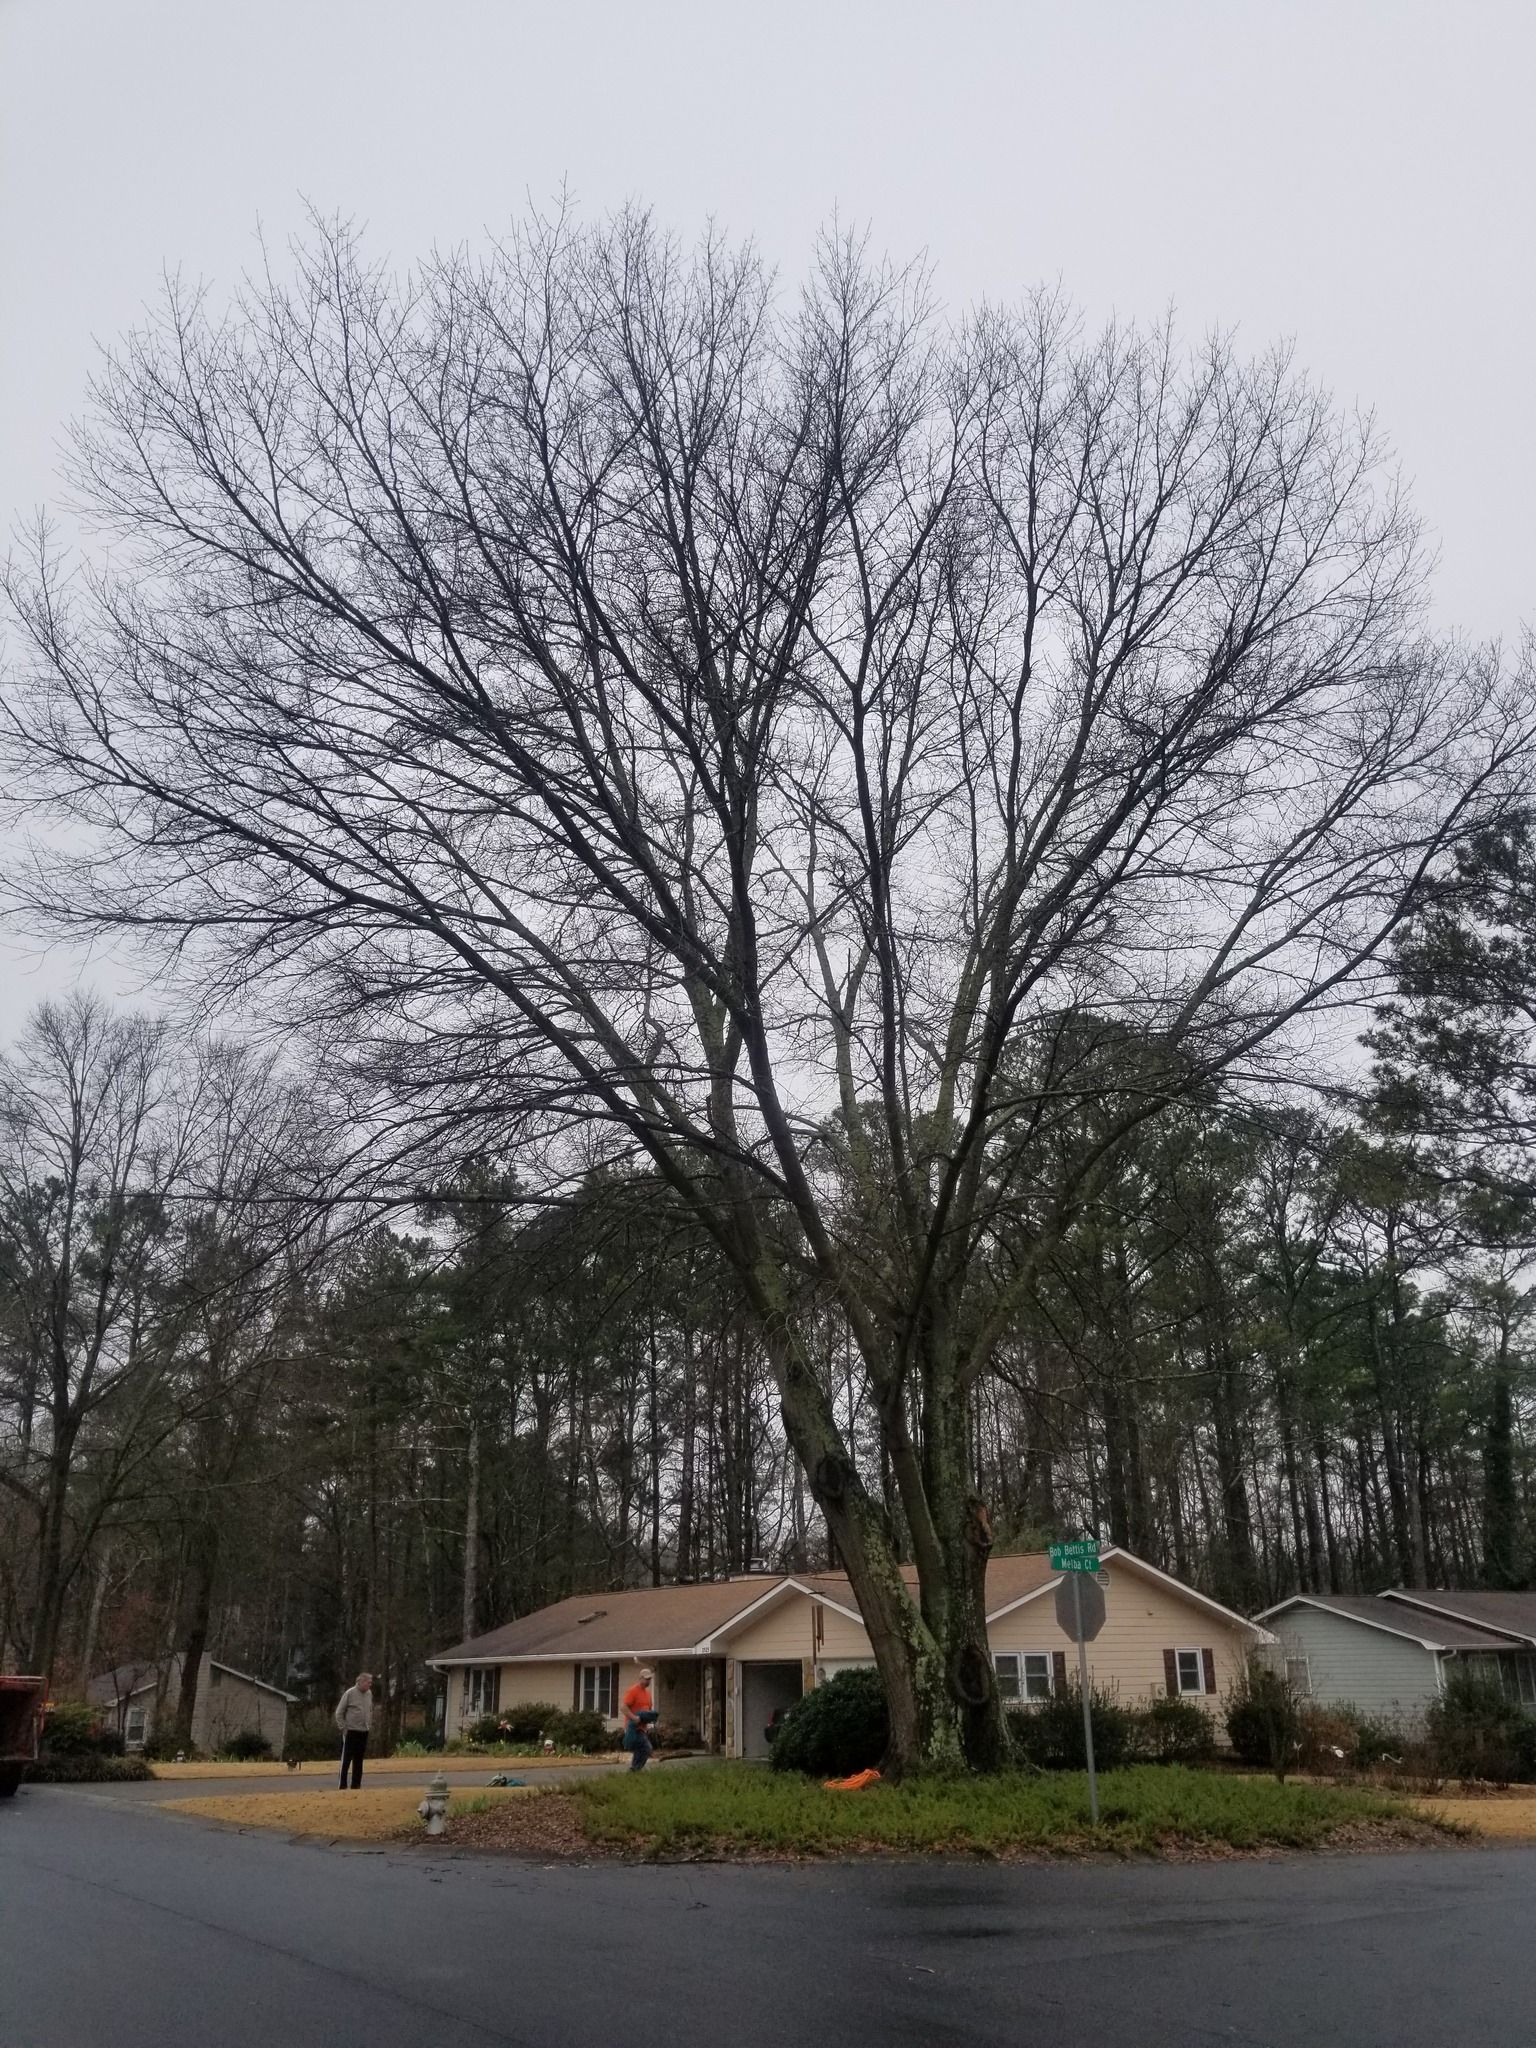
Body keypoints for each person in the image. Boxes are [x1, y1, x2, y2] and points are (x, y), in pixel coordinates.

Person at [334, 1671, 373, 1788]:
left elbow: (370, 1710)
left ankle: (356, 1785)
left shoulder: (369, 1694)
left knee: (359, 1760)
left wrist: (369, 1724)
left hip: (363, 1731)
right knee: (346, 1760)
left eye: (370, 1683)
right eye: (368, 1682)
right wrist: (343, 1728)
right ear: (360, 1682)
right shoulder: (349, 1693)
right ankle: (342, 1785)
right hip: (351, 1731)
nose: (370, 1685)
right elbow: (339, 1712)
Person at [621, 1667, 656, 1771]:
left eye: (649, 1679)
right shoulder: (633, 1691)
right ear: (640, 1678)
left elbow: (648, 1710)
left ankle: (634, 1770)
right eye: (646, 1679)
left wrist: (650, 1719)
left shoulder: (648, 1694)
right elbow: (623, 1708)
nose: (648, 1681)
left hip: (642, 1728)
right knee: (646, 1748)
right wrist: (634, 1717)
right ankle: (635, 1769)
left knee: (640, 1749)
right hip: (632, 1728)